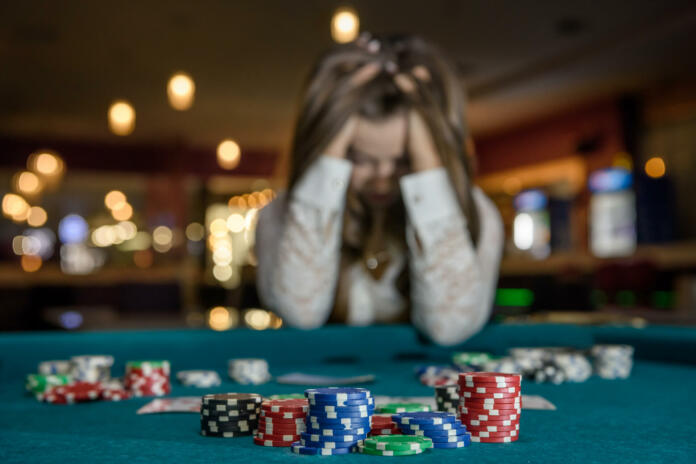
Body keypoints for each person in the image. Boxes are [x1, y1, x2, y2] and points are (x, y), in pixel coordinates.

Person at [255, 32, 504, 345]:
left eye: (404, 160)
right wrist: (331, 134)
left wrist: (428, 163)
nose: (382, 178)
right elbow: (300, 314)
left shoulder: (479, 211)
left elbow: (450, 328)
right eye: (359, 158)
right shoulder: (282, 212)